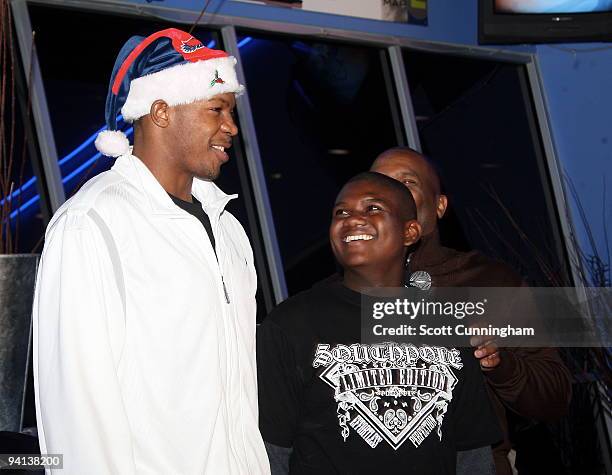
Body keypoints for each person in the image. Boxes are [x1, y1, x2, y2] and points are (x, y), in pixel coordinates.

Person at [32, 28, 270, 474]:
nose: (231, 127)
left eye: (231, 111)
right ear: (160, 111)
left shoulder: (229, 229)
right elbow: (77, 413)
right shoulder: (93, 224)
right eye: (216, 109)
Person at [257, 172, 502, 474]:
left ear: (410, 232)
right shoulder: (291, 324)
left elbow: (471, 453)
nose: (353, 219)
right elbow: (272, 454)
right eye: (341, 212)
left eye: (372, 208)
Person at [371, 147, 572, 475]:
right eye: (380, 185)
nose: (392, 194)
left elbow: (555, 397)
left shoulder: (489, 280)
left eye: (407, 183)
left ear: (439, 206)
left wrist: (500, 365)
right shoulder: (340, 296)